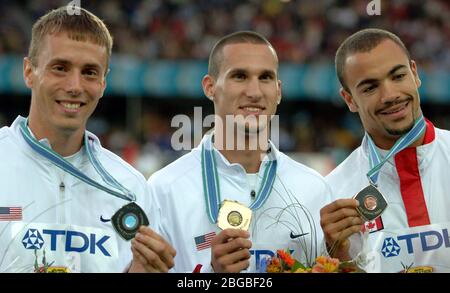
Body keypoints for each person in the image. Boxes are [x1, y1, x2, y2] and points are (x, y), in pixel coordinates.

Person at [0, 6, 175, 273]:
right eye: (60, 68)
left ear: (103, 83)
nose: (74, 86)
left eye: (90, 72)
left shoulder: (130, 187)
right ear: (29, 72)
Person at [148, 31, 331, 272]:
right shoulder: (164, 189)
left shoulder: (314, 188)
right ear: (210, 87)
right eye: (240, 76)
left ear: (278, 90)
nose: (254, 92)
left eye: (265, 77)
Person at [321, 28, 450, 272]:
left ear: (414, 73)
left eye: (398, 76)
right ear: (349, 99)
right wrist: (340, 259)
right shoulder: (333, 194)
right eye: (370, 88)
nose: (390, 95)